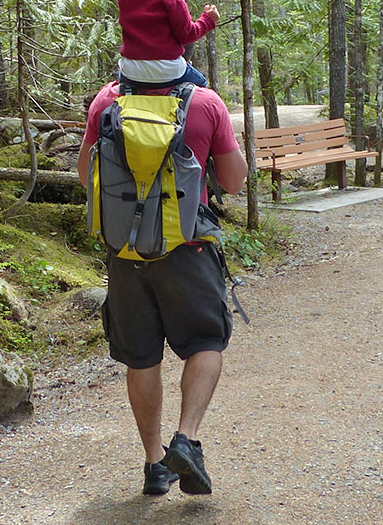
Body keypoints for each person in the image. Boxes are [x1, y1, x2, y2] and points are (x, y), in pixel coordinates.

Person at [77, 57, 247, 496]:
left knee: (141, 356)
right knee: (207, 341)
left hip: (125, 254)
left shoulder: (107, 99)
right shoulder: (205, 102)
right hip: (188, 248)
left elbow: (85, 175)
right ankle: (185, 439)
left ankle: (155, 464)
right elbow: (232, 182)